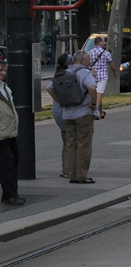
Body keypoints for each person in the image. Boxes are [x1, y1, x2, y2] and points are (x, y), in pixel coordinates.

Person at [50, 52, 99, 184]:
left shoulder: (62, 72)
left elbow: (50, 88)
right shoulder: (84, 72)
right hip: (83, 113)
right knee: (83, 145)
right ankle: (81, 175)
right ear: (82, 61)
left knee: (71, 145)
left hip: (67, 114)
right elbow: (92, 88)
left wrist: (61, 101)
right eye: (88, 60)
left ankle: (71, 174)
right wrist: (94, 104)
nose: (90, 62)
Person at [0, 59, 26, 205]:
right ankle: (10, 194)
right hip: (2, 134)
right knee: (7, 165)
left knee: (13, 162)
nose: (3, 73)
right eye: (0, 71)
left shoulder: (5, 88)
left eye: (4, 71)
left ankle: (9, 193)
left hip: (10, 133)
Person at [50, 54, 71, 178]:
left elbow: (49, 88)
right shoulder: (66, 76)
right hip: (64, 111)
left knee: (65, 140)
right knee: (70, 142)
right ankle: (68, 169)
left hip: (58, 111)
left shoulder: (56, 75)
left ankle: (65, 168)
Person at [86, 35, 114, 117]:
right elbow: (111, 65)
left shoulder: (89, 53)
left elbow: (87, 64)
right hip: (102, 76)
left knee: (96, 94)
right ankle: (95, 112)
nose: (105, 43)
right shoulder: (106, 53)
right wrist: (114, 72)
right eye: (103, 41)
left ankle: (101, 113)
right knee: (99, 94)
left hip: (92, 76)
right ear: (100, 43)